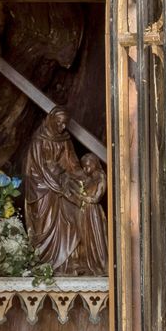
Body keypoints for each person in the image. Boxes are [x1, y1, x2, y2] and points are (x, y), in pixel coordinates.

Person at [24, 108, 107, 275]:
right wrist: (54, 183)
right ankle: (46, 262)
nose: (62, 127)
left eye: (64, 124)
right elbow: (34, 170)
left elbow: (72, 164)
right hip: (43, 190)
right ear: (51, 120)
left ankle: (71, 261)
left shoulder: (65, 140)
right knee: (46, 222)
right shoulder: (38, 141)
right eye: (59, 123)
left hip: (62, 183)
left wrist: (84, 177)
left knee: (74, 214)